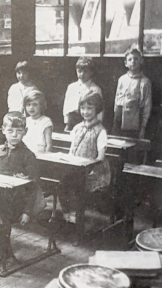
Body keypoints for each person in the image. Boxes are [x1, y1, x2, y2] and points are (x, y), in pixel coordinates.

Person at [0, 112, 42, 265]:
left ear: (25, 131)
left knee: (3, 215)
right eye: (10, 131)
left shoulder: (28, 156)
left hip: (18, 203)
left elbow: (33, 187)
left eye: (19, 131)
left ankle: (3, 252)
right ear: (3, 130)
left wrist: (27, 212)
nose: (14, 135)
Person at [59, 91, 110, 224]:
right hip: (75, 168)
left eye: (89, 108)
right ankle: (67, 214)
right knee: (61, 183)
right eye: (83, 108)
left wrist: (87, 166)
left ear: (97, 109)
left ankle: (78, 219)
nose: (85, 112)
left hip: (93, 171)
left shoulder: (100, 131)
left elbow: (100, 157)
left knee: (77, 186)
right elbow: (72, 151)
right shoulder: (76, 128)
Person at [113, 45, 152, 139]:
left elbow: (147, 106)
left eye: (136, 59)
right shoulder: (122, 80)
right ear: (126, 63)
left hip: (136, 124)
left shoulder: (145, 82)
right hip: (121, 122)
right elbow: (117, 103)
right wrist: (115, 124)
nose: (133, 62)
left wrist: (143, 128)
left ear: (141, 61)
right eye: (130, 59)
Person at [62, 57, 102, 132]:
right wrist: (67, 122)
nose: (82, 74)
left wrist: (98, 123)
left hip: (88, 120)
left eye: (85, 72)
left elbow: (99, 110)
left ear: (91, 72)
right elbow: (66, 105)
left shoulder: (95, 89)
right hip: (72, 121)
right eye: (79, 71)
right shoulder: (71, 87)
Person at [23, 90, 53, 154]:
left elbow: (49, 145)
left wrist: (46, 157)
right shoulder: (25, 121)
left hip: (40, 154)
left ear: (41, 106)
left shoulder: (45, 121)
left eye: (35, 105)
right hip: (25, 154)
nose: (31, 107)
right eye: (28, 105)